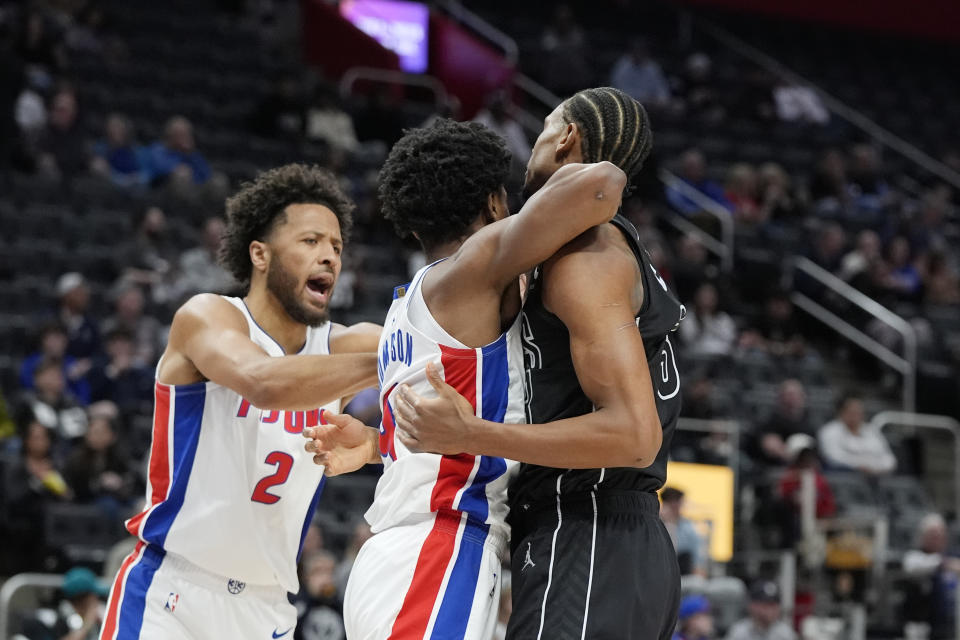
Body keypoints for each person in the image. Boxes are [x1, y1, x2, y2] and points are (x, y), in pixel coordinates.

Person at [306, 118, 628, 639]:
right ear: (494, 205)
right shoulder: (471, 268)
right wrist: (552, 155)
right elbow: (602, 185)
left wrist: (373, 444)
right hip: (438, 548)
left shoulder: (409, 304)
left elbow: (433, 432)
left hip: (402, 555)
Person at [383, 88, 684, 639]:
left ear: (566, 137)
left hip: (587, 528)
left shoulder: (583, 259)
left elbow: (633, 435)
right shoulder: (580, 254)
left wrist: (475, 433)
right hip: (604, 536)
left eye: (545, 126)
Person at [99, 164, 381, 640]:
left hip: (266, 608)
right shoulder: (208, 316)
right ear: (260, 253)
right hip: (175, 594)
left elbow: (440, 366)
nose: (330, 257)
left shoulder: (344, 347)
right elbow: (264, 381)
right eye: (311, 242)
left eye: (336, 246)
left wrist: (374, 444)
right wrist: (389, 361)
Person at [18, 567, 109, 640]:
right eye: (93, 596)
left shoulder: (101, 615)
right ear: (81, 600)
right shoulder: (64, 620)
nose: (97, 600)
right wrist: (87, 624)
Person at [817, 393, 896, 475]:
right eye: (852, 411)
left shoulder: (872, 431)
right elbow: (833, 457)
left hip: (876, 476)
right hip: (844, 476)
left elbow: (890, 460)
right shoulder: (830, 431)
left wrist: (874, 468)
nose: (856, 415)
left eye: (859, 411)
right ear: (841, 411)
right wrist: (860, 465)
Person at [661, 487, 709, 577]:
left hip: (683, 572)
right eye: (673, 502)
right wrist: (669, 524)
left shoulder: (687, 526)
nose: (677, 506)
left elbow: (696, 552)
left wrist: (699, 569)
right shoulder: (657, 523)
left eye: (679, 502)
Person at [725, 580, 797, 640]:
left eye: (773, 605)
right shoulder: (739, 632)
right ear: (752, 605)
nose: (770, 610)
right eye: (765, 605)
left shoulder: (785, 633)